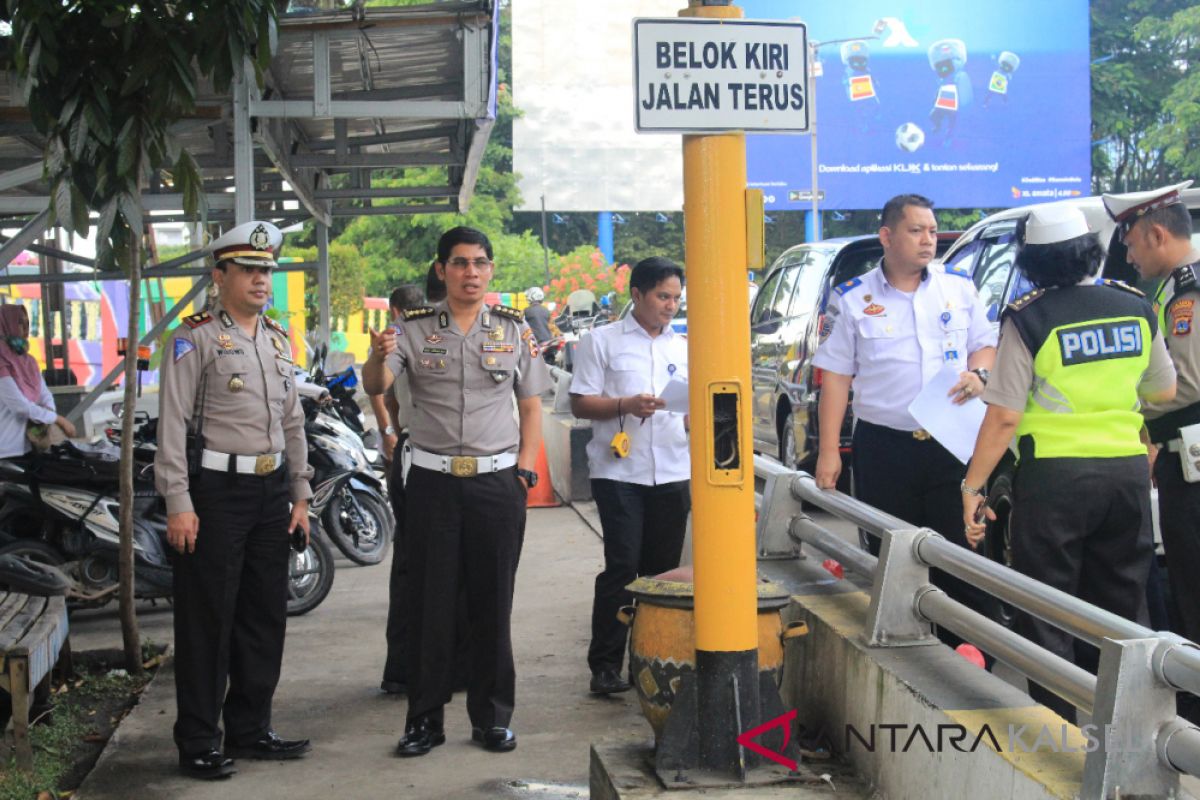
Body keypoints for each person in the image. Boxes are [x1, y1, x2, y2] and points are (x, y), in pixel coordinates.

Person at [961, 205, 1176, 722]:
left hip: (1055, 480)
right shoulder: (1134, 305)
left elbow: (1005, 417)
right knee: (1122, 607)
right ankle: (1123, 732)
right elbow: (1163, 389)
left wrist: (973, 485)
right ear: (1089, 252)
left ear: (1031, 261)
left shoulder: (1029, 316)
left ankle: (1058, 730)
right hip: (1125, 475)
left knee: (1049, 608)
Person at [362, 226, 551, 757]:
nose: (472, 272)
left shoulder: (513, 330)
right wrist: (378, 355)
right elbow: (376, 386)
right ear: (442, 269)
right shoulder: (412, 329)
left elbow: (531, 403)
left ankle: (492, 717)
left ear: (491, 271)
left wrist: (525, 468)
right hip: (433, 483)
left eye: (481, 263)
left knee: (494, 602)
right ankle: (424, 720)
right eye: (461, 263)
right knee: (431, 603)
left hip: (496, 483)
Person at [155, 221, 313, 780]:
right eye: (248, 269)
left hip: (272, 492)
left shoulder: (276, 338)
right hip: (214, 493)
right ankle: (198, 739)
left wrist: (300, 494)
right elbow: (171, 424)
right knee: (208, 621)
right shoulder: (191, 337)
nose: (260, 280)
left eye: (266, 270)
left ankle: (250, 728)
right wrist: (178, 500)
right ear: (219, 275)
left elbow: (292, 421)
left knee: (263, 615)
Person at [812, 193, 999, 655]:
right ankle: (906, 655)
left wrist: (980, 375)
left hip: (951, 443)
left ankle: (969, 658)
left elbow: (987, 346)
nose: (928, 240)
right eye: (917, 231)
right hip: (885, 448)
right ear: (887, 236)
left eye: (932, 231)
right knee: (892, 555)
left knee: (960, 553)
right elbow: (836, 377)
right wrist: (830, 449)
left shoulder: (959, 287)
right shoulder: (853, 297)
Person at [569, 257, 690, 694]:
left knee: (662, 573)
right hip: (619, 471)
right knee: (623, 567)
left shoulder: (684, 346)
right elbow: (581, 403)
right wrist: (625, 405)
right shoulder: (601, 341)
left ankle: (651, 660)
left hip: (674, 469)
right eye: (663, 296)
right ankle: (604, 665)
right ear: (636, 295)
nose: (671, 306)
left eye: (676, 298)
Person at [1102, 181, 1200, 722]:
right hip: (1181, 455)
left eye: (1133, 245)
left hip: (1192, 463)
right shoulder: (1175, 287)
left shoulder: (1187, 291)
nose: (1130, 257)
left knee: (1192, 584)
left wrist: (1121, 399)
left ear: (1157, 234)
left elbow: (1184, 384)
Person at [0, 304, 75, 458]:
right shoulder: (2, 362)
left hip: (30, 445)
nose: (26, 328)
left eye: (28, 323)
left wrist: (48, 411)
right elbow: (20, 407)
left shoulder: (28, 361)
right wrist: (58, 419)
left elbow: (44, 394)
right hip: (6, 448)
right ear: (6, 324)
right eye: (20, 322)